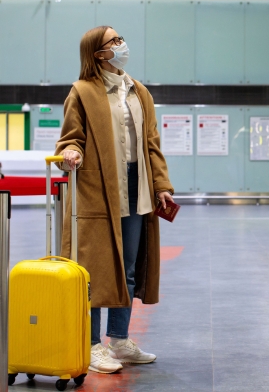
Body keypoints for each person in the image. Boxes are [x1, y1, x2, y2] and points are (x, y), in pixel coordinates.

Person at [55, 26, 175, 374]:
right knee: (94, 272)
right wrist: (72, 153)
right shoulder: (82, 92)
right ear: (98, 53)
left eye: (121, 39)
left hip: (136, 188)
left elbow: (151, 143)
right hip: (98, 189)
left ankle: (119, 341)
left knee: (128, 269)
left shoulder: (138, 92)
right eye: (114, 41)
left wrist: (161, 184)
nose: (122, 45)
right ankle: (92, 346)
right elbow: (70, 138)